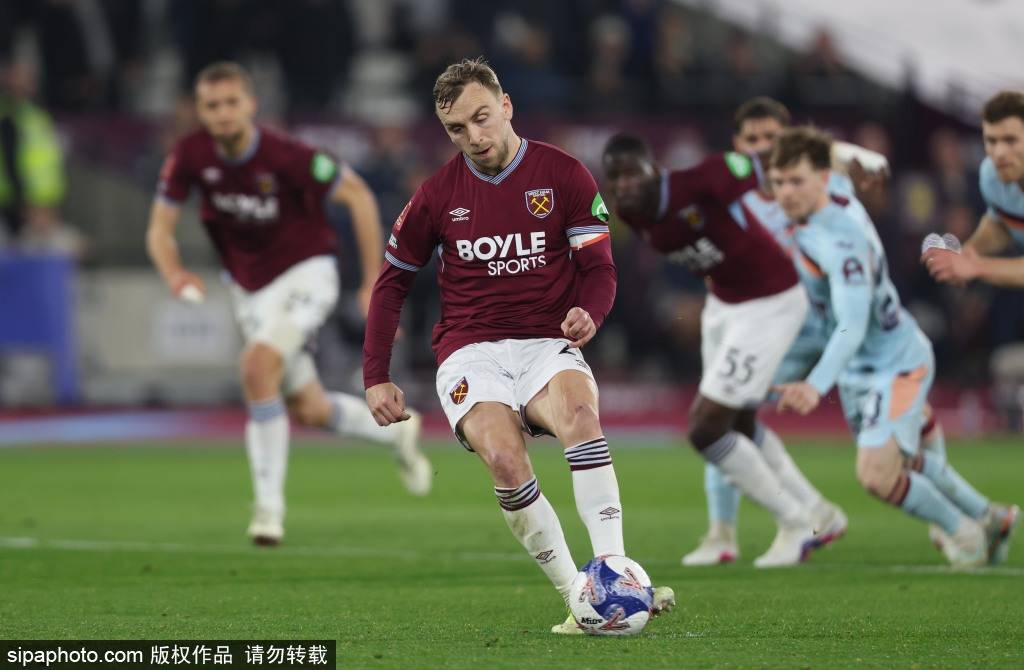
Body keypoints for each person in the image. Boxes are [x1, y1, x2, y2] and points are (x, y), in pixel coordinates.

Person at [362, 57, 673, 634]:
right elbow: (392, 283)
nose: (474, 137)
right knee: (505, 460)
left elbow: (599, 267)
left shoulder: (564, 174)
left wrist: (591, 312)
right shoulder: (436, 195)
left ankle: (614, 571)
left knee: (580, 415)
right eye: (457, 128)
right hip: (470, 350)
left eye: (482, 118)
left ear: (506, 106)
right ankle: (579, 597)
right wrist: (376, 375)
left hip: (546, 343)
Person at [146, 61, 432, 547]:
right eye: (212, 105)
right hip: (249, 290)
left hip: (307, 274)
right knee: (309, 409)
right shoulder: (191, 155)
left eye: (232, 102)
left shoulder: (288, 155)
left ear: (251, 105)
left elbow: (359, 196)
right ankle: (396, 434)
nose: (223, 113)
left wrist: (371, 283)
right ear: (200, 111)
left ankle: (267, 513)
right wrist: (175, 273)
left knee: (257, 366)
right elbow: (159, 231)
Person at [771, 126, 1018, 567]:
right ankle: (990, 516)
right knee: (904, 461)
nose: (786, 192)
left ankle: (963, 532)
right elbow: (832, 154)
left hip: (893, 362)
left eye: (796, 181)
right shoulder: (834, 191)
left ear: (822, 179)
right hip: (860, 367)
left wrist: (814, 383)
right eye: (779, 182)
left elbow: (852, 322)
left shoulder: (840, 240)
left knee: (876, 474)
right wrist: (865, 158)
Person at [601, 132, 845, 569]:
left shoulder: (700, 179)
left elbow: (762, 161)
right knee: (739, 422)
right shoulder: (629, 212)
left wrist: (838, 154)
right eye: (614, 178)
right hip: (725, 305)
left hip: (769, 302)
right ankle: (819, 513)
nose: (623, 185)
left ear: (653, 168)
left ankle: (795, 523)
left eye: (631, 174)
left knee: (706, 428)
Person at [924, 91, 1024, 290]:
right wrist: (969, 250)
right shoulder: (990, 174)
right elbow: (1003, 226)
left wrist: (977, 267)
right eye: (992, 141)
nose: (999, 153)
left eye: (1010, 140)